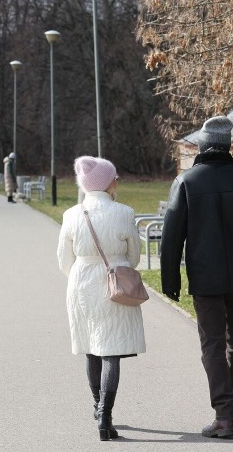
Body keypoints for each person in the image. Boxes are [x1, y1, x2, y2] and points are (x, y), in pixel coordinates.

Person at [159, 116, 233, 439]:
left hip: (206, 280)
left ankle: (225, 416)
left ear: (201, 145)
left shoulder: (186, 182)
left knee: (212, 343)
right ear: (227, 146)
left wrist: (170, 280)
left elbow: (171, 236)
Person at [57, 156, 145, 441]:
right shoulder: (124, 212)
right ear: (107, 182)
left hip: (81, 283)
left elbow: (63, 260)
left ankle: (97, 408)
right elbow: (134, 257)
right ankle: (106, 417)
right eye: (115, 177)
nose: (117, 181)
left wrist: (82, 274)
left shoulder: (71, 214)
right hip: (113, 280)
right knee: (111, 350)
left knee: (91, 347)